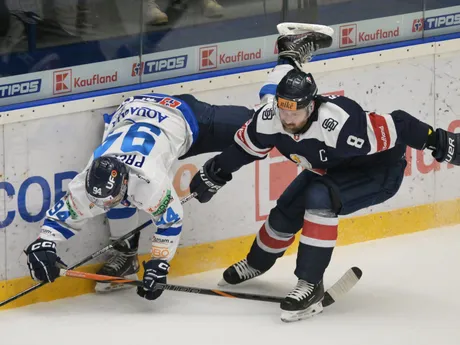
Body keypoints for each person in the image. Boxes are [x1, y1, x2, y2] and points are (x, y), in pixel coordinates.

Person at [189, 29, 460, 322]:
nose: (288, 118)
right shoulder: (269, 119)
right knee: (286, 210)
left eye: (296, 111)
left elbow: (402, 125)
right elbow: (242, 151)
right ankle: (257, 263)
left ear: (312, 105)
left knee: (319, 198)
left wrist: (439, 141)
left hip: (377, 172)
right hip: (331, 169)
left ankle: (309, 284)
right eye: (283, 108)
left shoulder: (340, 124)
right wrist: (215, 172)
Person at [23, 92, 253, 300]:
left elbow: (170, 222)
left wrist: (159, 264)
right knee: (123, 200)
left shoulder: (149, 182)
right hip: (133, 111)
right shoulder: (85, 184)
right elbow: (62, 218)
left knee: (263, 128)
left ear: (127, 180)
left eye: (109, 200)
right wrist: (44, 244)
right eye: (99, 201)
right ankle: (126, 256)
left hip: (184, 115)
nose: (103, 205)